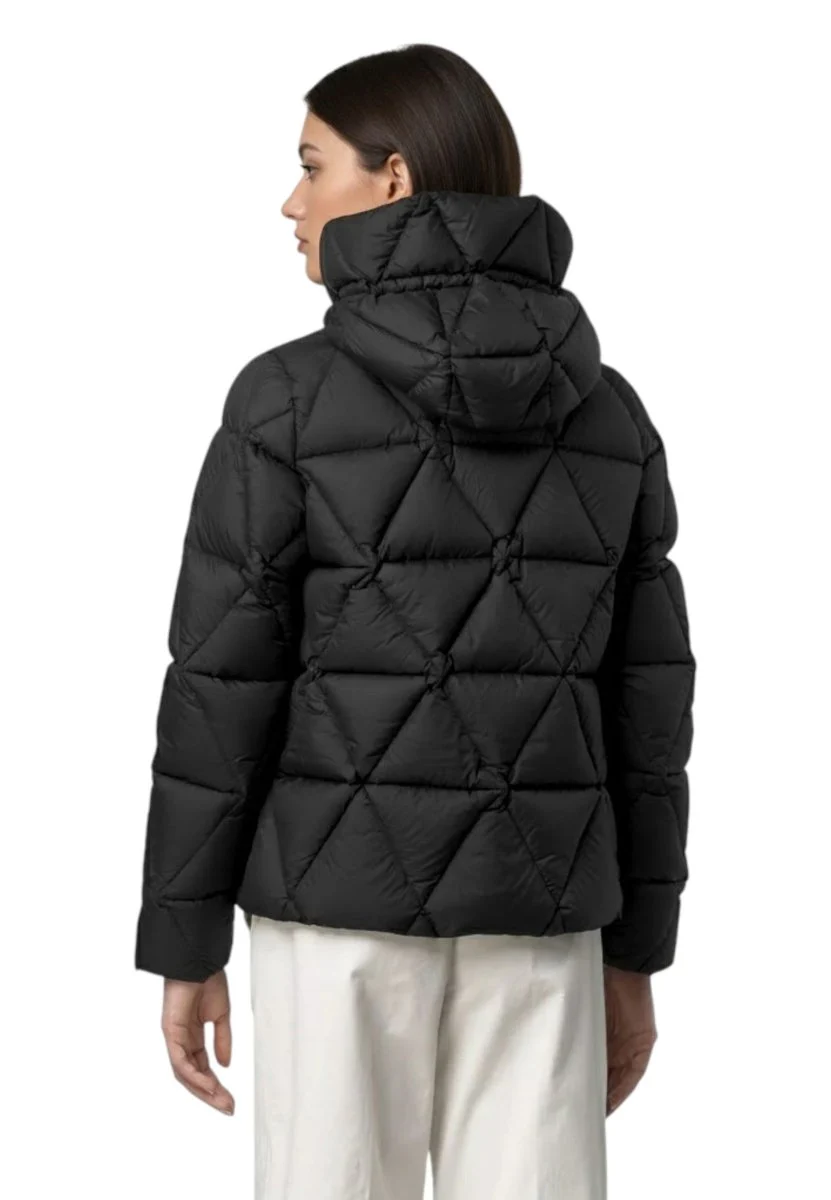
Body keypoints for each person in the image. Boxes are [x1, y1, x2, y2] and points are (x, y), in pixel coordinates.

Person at [134, 42, 695, 1200]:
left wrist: (185, 941)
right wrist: (636, 949)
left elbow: (220, 687)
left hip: (335, 922)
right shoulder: (609, 412)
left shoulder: (285, 400)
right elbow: (649, 708)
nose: (290, 202)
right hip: (545, 916)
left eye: (311, 166)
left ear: (392, 179)